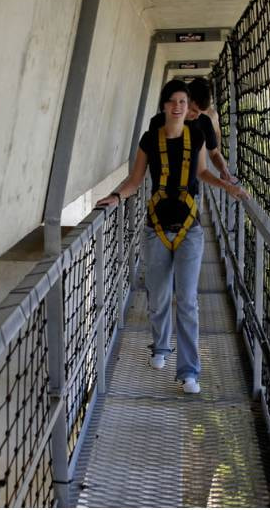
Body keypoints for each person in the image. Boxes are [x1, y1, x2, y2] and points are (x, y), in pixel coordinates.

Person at [97, 80, 246, 395]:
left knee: (188, 301)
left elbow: (203, 172)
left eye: (183, 101)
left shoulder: (197, 135)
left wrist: (226, 184)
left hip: (190, 230)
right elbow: (136, 180)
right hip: (156, 229)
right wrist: (116, 196)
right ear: (164, 105)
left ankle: (189, 372)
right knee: (160, 294)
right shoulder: (150, 139)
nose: (179, 106)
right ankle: (161, 347)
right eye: (173, 101)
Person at [147, 76, 236, 185]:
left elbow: (214, 153)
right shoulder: (162, 120)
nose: (196, 116)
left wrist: (223, 169)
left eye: (200, 113)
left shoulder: (204, 122)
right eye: (194, 110)